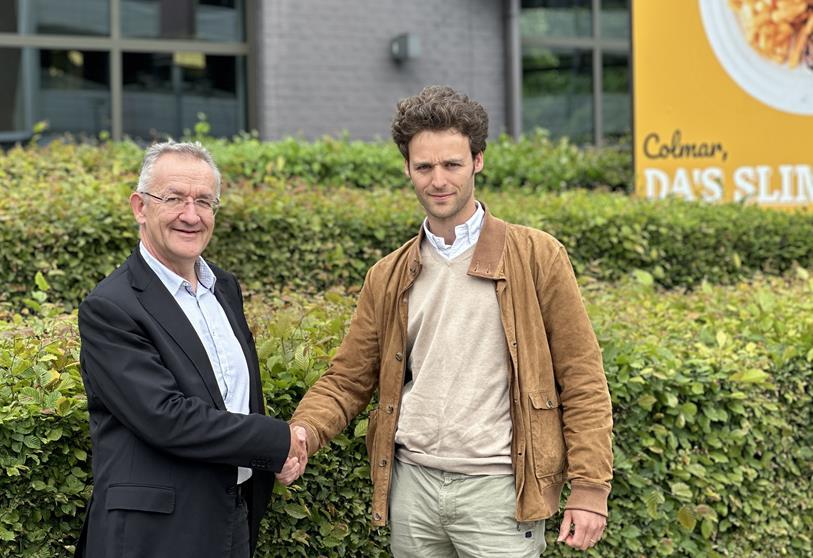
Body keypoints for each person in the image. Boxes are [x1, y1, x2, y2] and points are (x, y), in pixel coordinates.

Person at [289, 86, 613, 556]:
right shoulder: (388, 274)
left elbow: (582, 378)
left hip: (500, 494)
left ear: (478, 161)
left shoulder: (537, 256)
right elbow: (348, 379)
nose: (438, 180)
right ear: (407, 169)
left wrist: (589, 489)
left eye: (452, 165)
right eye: (424, 167)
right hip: (413, 489)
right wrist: (302, 433)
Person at [75, 141, 306, 558]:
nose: (191, 214)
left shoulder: (224, 288)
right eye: (175, 198)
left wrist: (267, 456)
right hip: (155, 533)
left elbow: (236, 397)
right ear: (140, 207)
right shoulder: (111, 306)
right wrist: (276, 441)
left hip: (230, 516)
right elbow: (166, 417)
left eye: (204, 201)